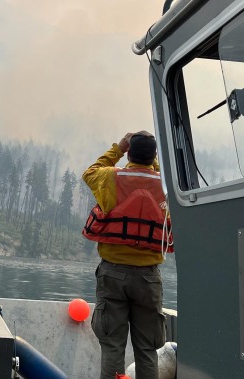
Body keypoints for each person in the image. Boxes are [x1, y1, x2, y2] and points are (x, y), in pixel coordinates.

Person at [81, 131, 171, 379]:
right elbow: (158, 174)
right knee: (147, 349)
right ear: (153, 156)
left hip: (113, 275)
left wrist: (117, 149)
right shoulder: (165, 185)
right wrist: (151, 161)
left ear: (128, 153)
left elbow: (90, 172)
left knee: (112, 346)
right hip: (149, 280)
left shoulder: (111, 177)